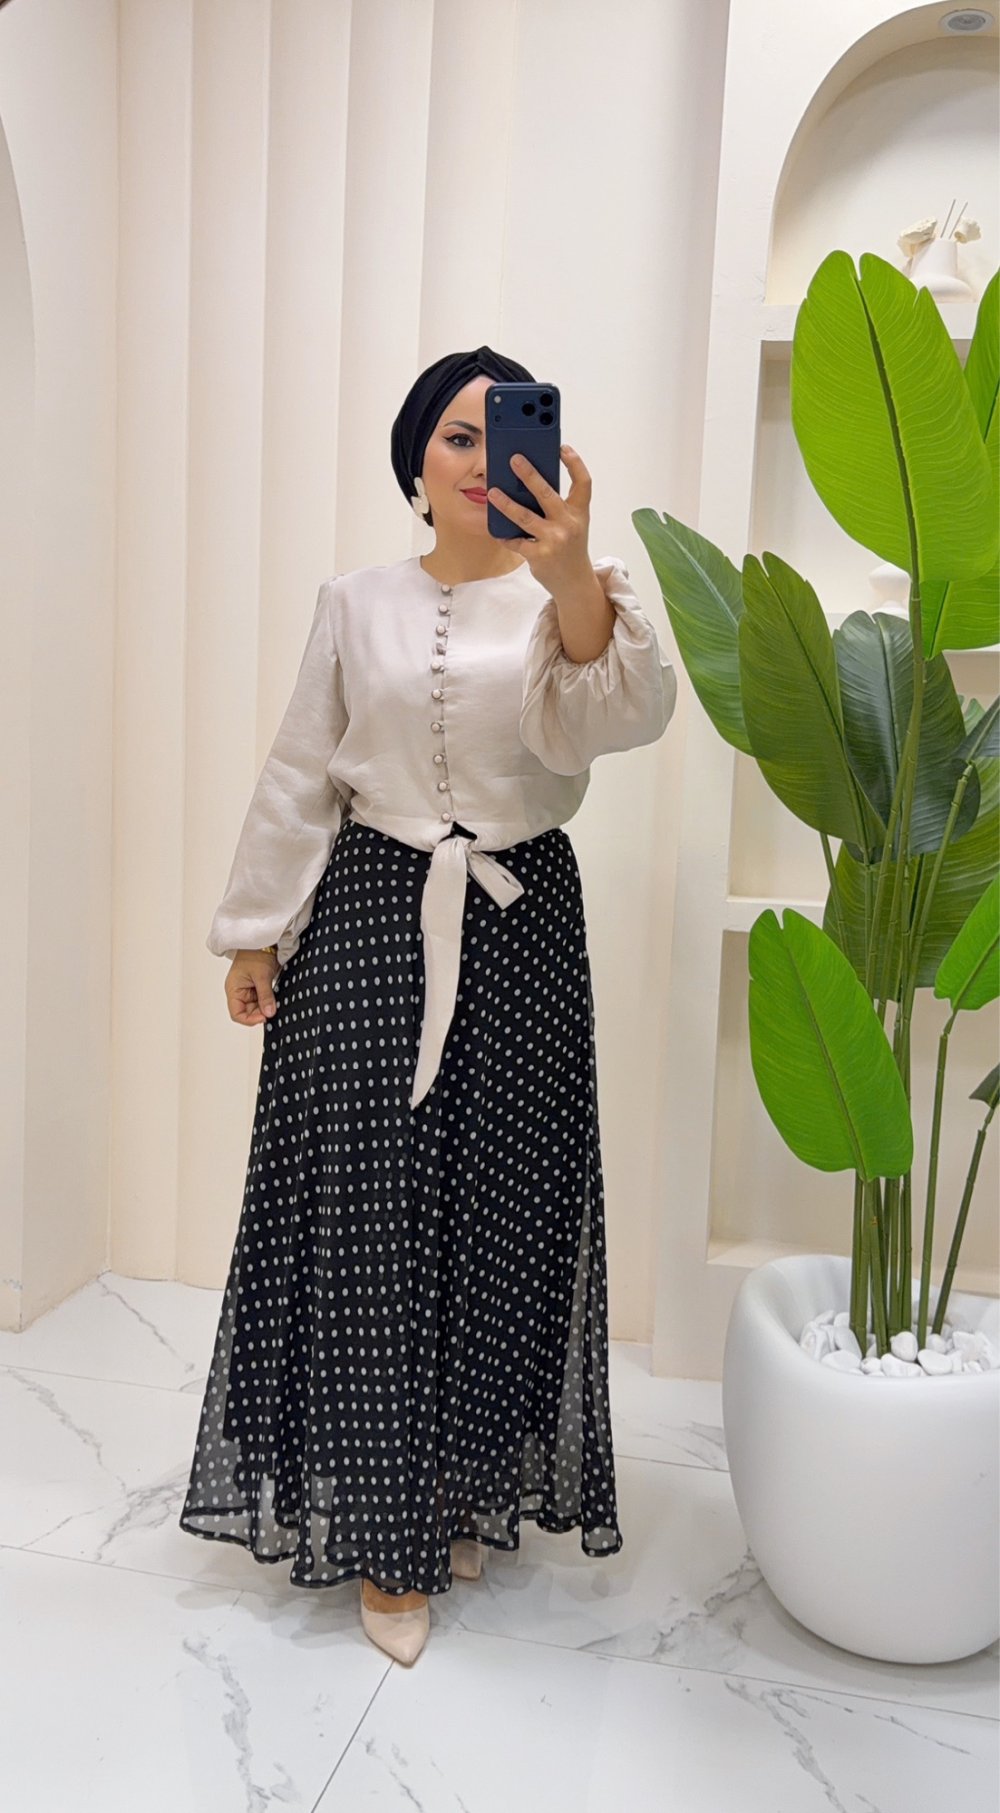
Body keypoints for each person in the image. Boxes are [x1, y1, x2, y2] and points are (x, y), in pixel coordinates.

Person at [178, 345, 678, 1665]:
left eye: (498, 434)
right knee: (370, 1214)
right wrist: (253, 931)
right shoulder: (355, 602)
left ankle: (453, 1485)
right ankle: (383, 1538)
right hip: (365, 921)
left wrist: (576, 579)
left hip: (519, 924)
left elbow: (614, 721)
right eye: (455, 435)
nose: (478, 457)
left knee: (504, 1208)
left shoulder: (573, 598)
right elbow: (302, 773)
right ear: (417, 459)